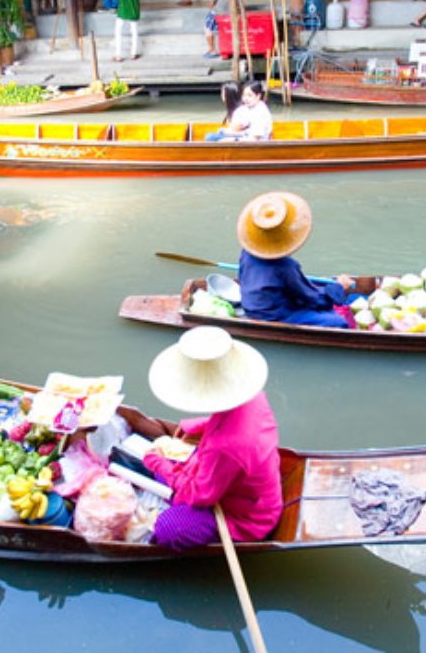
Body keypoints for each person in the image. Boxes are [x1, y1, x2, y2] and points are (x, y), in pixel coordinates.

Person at [143, 326, 283, 551]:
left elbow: (200, 496)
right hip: (254, 486)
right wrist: (196, 425)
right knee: (168, 468)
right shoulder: (252, 396)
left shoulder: (224, 447)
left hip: (249, 516)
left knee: (168, 528)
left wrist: (159, 464)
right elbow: (229, 419)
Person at [235, 191, 356, 329]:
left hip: (252, 306)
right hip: (275, 315)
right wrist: (339, 287)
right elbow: (311, 298)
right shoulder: (285, 266)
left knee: (316, 286)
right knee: (338, 322)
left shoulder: (248, 251)